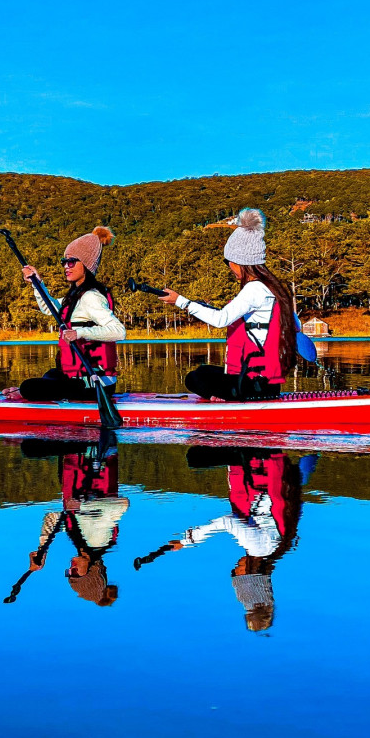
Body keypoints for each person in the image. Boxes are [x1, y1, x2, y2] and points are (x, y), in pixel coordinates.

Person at [138, 448, 314, 632]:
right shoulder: (257, 548)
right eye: (235, 572)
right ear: (246, 573)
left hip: (267, 474)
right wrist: (188, 540)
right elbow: (228, 522)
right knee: (194, 459)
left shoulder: (275, 549)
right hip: (261, 466)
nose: (234, 567)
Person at [156, 208, 315, 401]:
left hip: (251, 387)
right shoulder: (274, 290)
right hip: (269, 385)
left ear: (240, 262)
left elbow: (221, 319)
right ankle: (225, 393)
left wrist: (180, 301)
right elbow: (290, 326)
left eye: (228, 261)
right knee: (205, 370)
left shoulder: (253, 289)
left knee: (194, 378)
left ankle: (228, 396)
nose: (229, 266)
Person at [8, 434, 128, 607]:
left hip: (77, 451)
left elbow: (53, 518)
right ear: (90, 573)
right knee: (29, 449)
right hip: (96, 449)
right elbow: (121, 505)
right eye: (75, 573)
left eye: (68, 573)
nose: (70, 569)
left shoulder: (80, 541)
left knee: (30, 448)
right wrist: (81, 506)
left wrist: (42, 550)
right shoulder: (99, 539)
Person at [17, 226, 127, 403]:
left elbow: (119, 331)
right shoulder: (75, 296)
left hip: (95, 384)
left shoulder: (91, 297)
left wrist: (80, 333)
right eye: (64, 262)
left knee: (28, 387)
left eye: (71, 262)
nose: (66, 267)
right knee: (52, 373)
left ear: (87, 265)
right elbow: (49, 308)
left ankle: (26, 392)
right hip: (79, 379)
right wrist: (37, 284)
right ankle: (35, 389)